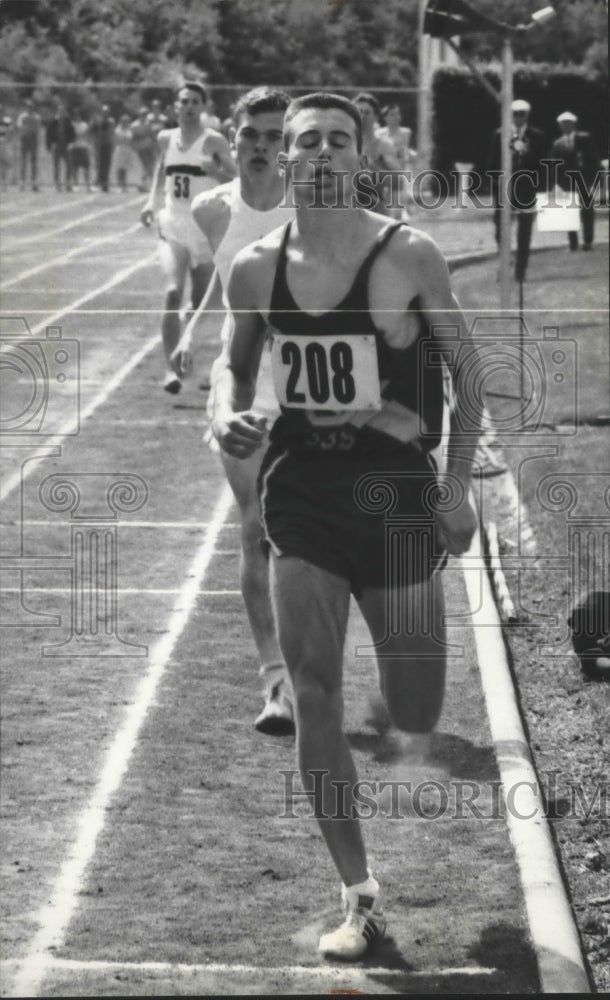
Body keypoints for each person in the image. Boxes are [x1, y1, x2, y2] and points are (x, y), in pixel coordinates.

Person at [211, 92, 482, 959]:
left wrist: (457, 487)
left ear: (364, 155)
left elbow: (469, 381)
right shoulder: (254, 267)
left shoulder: (408, 254)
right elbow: (232, 362)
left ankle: (398, 696)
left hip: (399, 498)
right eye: (305, 142)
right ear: (284, 161)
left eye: (338, 139)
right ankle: (357, 893)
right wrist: (227, 414)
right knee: (314, 690)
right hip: (304, 498)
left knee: (414, 708)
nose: (322, 153)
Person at [171, 87, 295, 735]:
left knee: (315, 538)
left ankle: (316, 664)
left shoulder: (317, 206)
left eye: (274, 136)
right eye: (250, 135)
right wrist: (193, 331)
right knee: (256, 529)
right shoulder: (212, 209)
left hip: (310, 390)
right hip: (242, 385)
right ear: (234, 137)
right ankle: (276, 681)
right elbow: (221, 284)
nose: (259, 147)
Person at [140, 81, 236, 393]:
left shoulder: (215, 141)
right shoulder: (164, 138)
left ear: (203, 106)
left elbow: (237, 179)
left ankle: (187, 351)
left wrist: (215, 171)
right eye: (184, 101)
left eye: (195, 101)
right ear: (175, 107)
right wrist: (149, 202)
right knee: (171, 292)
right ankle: (170, 370)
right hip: (173, 223)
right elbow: (160, 169)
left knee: (199, 305)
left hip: (204, 227)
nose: (189, 106)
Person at [487, 98, 547, 282]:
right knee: (501, 230)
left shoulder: (537, 136)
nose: (518, 117)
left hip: (527, 189)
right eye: (515, 114)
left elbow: (542, 164)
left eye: (522, 114)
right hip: (504, 189)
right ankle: (504, 266)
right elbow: (493, 162)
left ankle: (520, 272)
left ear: (527, 115)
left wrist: (541, 188)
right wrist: (496, 184)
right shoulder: (501, 135)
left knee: (524, 231)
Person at [551, 111, 601, 252]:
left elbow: (594, 161)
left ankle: (588, 241)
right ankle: (573, 243)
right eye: (563, 124)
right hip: (566, 183)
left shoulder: (584, 139)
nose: (566, 126)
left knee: (587, 212)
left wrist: (594, 181)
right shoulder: (558, 144)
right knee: (570, 213)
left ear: (574, 124)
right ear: (560, 126)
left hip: (584, 180)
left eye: (569, 123)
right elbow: (556, 165)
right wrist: (555, 184)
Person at [353, 92, 400, 216]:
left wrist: (375, 170)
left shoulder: (384, 145)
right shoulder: (342, 143)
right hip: (345, 210)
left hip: (375, 212)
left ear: (375, 117)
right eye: (358, 111)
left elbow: (397, 179)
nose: (362, 116)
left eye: (367, 112)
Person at [376, 103, 417, 220]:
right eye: (392, 114)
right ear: (386, 118)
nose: (396, 117)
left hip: (399, 168)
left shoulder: (405, 132)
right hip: (383, 168)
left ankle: (405, 203)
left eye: (397, 114)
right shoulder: (379, 133)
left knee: (402, 184)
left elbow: (403, 153)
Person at [46, 103, 75, 191]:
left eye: (63, 111)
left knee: (69, 164)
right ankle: (57, 184)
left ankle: (67, 183)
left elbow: (72, 133)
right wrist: (49, 145)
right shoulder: (53, 121)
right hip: (56, 144)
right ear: (58, 112)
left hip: (66, 144)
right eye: (60, 111)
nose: (62, 113)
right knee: (56, 165)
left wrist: (71, 143)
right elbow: (48, 134)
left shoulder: (68, 121)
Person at [17, 99, 41, 192]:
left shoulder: (37, 117)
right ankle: (22, 184)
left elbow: (38, 129)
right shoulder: (22, 116)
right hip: (24, 140)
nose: (30, 107)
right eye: (28, 106)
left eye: (31, 106)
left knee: (34, 163)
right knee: (23, 162)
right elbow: (19, 126)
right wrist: (26, 130)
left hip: (33, 140)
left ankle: (34, 184)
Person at [91, 104, 116, 192]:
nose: (105, 113)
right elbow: (93, 132)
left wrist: (113, 144)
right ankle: (99, 182)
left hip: (107, 144)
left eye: (107, 112)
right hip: (99, 145)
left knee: (106, 165)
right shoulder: (98, 121)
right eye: (104, 112)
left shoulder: (110, 121)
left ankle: (105, 184)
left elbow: (111, 132)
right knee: (99, 164)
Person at [131, 106, 156, 191]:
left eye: (145, 114)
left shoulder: (148, 123)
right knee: (145, 166)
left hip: (149, 147)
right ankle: (144, 184)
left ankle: (146, 184)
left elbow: (152, 135)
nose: (144, 116)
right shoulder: (135, 125)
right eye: (142, 114)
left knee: (149, 166)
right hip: (141, 148)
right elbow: (133, 138)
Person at [69, 110, 92, 191]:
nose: (77, 117)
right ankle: (76, 185)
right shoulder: (72, 125)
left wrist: (81, 135)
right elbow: (73, 135)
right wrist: (79, 135)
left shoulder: (84, 124)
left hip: (84, 147)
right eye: (75, 115)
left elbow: (86, 135)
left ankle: (88, 185)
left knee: (86, 167)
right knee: (75, 167)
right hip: (75, 147)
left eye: (78, 115)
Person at [113, 114, 136, 193]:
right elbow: (119, 140)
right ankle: (119, 185)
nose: (127, 123)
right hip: (120, 150)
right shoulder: (118, 130)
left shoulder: (129, 130)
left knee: (125, 169)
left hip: (127, 150)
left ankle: (124, 185)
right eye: (125, 121)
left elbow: (130, 140)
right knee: (120, 169)